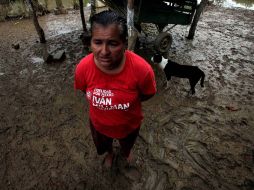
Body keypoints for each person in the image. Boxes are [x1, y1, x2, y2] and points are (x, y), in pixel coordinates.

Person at [74, 10, 156, 168]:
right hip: (99, 125)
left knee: (127, 144)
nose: (104, 52)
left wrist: (126, 102)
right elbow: (85, 90)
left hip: (129, 125)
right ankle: (110, 153)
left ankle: (126, 152)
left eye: (113, 43)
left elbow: (147, 94)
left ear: (124, 43)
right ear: (90, 42)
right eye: (97, 42)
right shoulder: (83, 68)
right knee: (104, 145)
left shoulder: (142, 70)